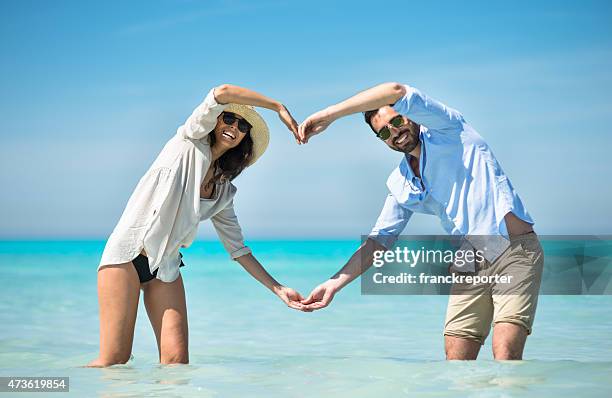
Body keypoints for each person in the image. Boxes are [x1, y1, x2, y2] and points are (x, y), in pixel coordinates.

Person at [297, 82, 544, 360]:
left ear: (411, 115)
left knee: (505, 354)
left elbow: (395, 89)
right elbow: (379, 241)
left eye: (398, 121)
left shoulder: (450, 131)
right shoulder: (400, 181)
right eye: (384, 132)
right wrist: (333, 284)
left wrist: (330, 114)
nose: (396, 133)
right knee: (456, 363)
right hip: (469, 262)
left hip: (513, 249)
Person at [86, 84, 307, 367]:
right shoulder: (189, 140)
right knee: (114, 360)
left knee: (176, 365)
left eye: (242, 126)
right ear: (215, 120)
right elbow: (221, 92)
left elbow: (238, 250)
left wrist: (279, 289)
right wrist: (277, 106)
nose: (234, 127)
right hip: (127, 256)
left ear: (245, 139)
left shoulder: (224, 191)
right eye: (229, 118)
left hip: (164, 268)